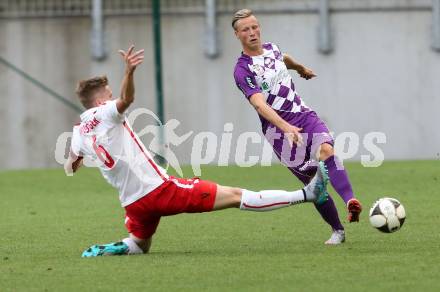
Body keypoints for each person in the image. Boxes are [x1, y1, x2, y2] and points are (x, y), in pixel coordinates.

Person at [65, 45, 329, 257]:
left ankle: (111, 249)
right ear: (99, 101)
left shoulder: (79, 131)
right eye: (108, 95)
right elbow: (127, 100)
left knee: (140, 245)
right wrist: (129, 73)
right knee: (237, 195)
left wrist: (81, 159)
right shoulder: (106, 112)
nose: (112, 98)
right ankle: (308, 193)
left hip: (133, 203)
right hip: (158, 190)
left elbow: (70, 165)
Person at [232, 9, 362, 245]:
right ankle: (338, 230)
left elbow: (285, 58)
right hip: (279, 132)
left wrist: (300, 68)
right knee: (315, 183)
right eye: (245, 30)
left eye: (255, 27)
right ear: (237, 35)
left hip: (304, 115)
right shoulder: (243, 70)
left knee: (327, 151)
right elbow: (259, 105)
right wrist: (285, 127)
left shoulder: (272, 48)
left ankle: (351, 201)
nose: (252, 33)